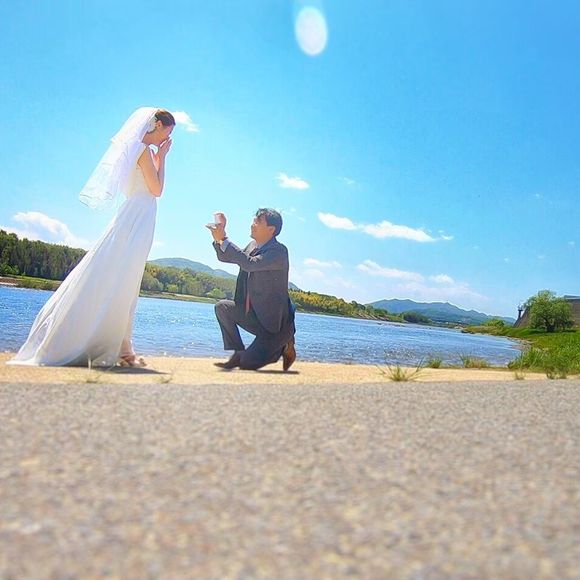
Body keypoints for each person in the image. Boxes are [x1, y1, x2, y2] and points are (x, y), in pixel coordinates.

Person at [9, 107, 175, 367]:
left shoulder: (134, 149)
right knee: (126, 278)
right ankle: (121, 347)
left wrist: (157, 159)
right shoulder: (143, 150)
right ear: (157, 125)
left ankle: (123, 346)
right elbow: (156, 190)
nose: (167, 138)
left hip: (133, 213)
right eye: (167, 131)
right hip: (139, 214)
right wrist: (162, 159)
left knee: (120, 276)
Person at [207, 208, 296, 371]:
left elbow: (250, 264)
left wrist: (224, 239)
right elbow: (225, 257)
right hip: (254, 317)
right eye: (253, 220)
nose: (252, 224)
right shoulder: (252, 246)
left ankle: (284, 345)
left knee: (248, 364)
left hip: (275, 326)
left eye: (257, 222)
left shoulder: (279, 251)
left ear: (271, 229)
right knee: (222, 307)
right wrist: (219, 238)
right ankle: (238, 353)